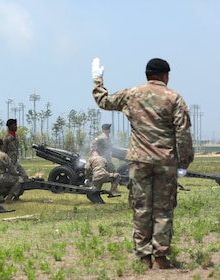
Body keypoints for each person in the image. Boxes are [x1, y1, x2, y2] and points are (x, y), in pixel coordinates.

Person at [91, 57, 194, 269]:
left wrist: (97, 80)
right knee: (163, 209)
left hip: (139, 162)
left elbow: (104, 102)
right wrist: (184, 162)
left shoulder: (132, 94)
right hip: (165, 162)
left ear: (147, 75)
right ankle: (160, 258)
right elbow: (182, 134)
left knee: (141, 208)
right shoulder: (174, 98)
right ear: (166, 75)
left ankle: (143, 256)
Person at [2, 119, 29, 190]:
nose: (16, 127)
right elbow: (3, 151)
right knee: (13, 180)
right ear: (9, 126)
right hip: (9, 163)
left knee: (25, 177)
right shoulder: (6, 138)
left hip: (15, 161)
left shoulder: (15, 137)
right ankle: (9, 194)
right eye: (14, 125)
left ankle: (17, 194)